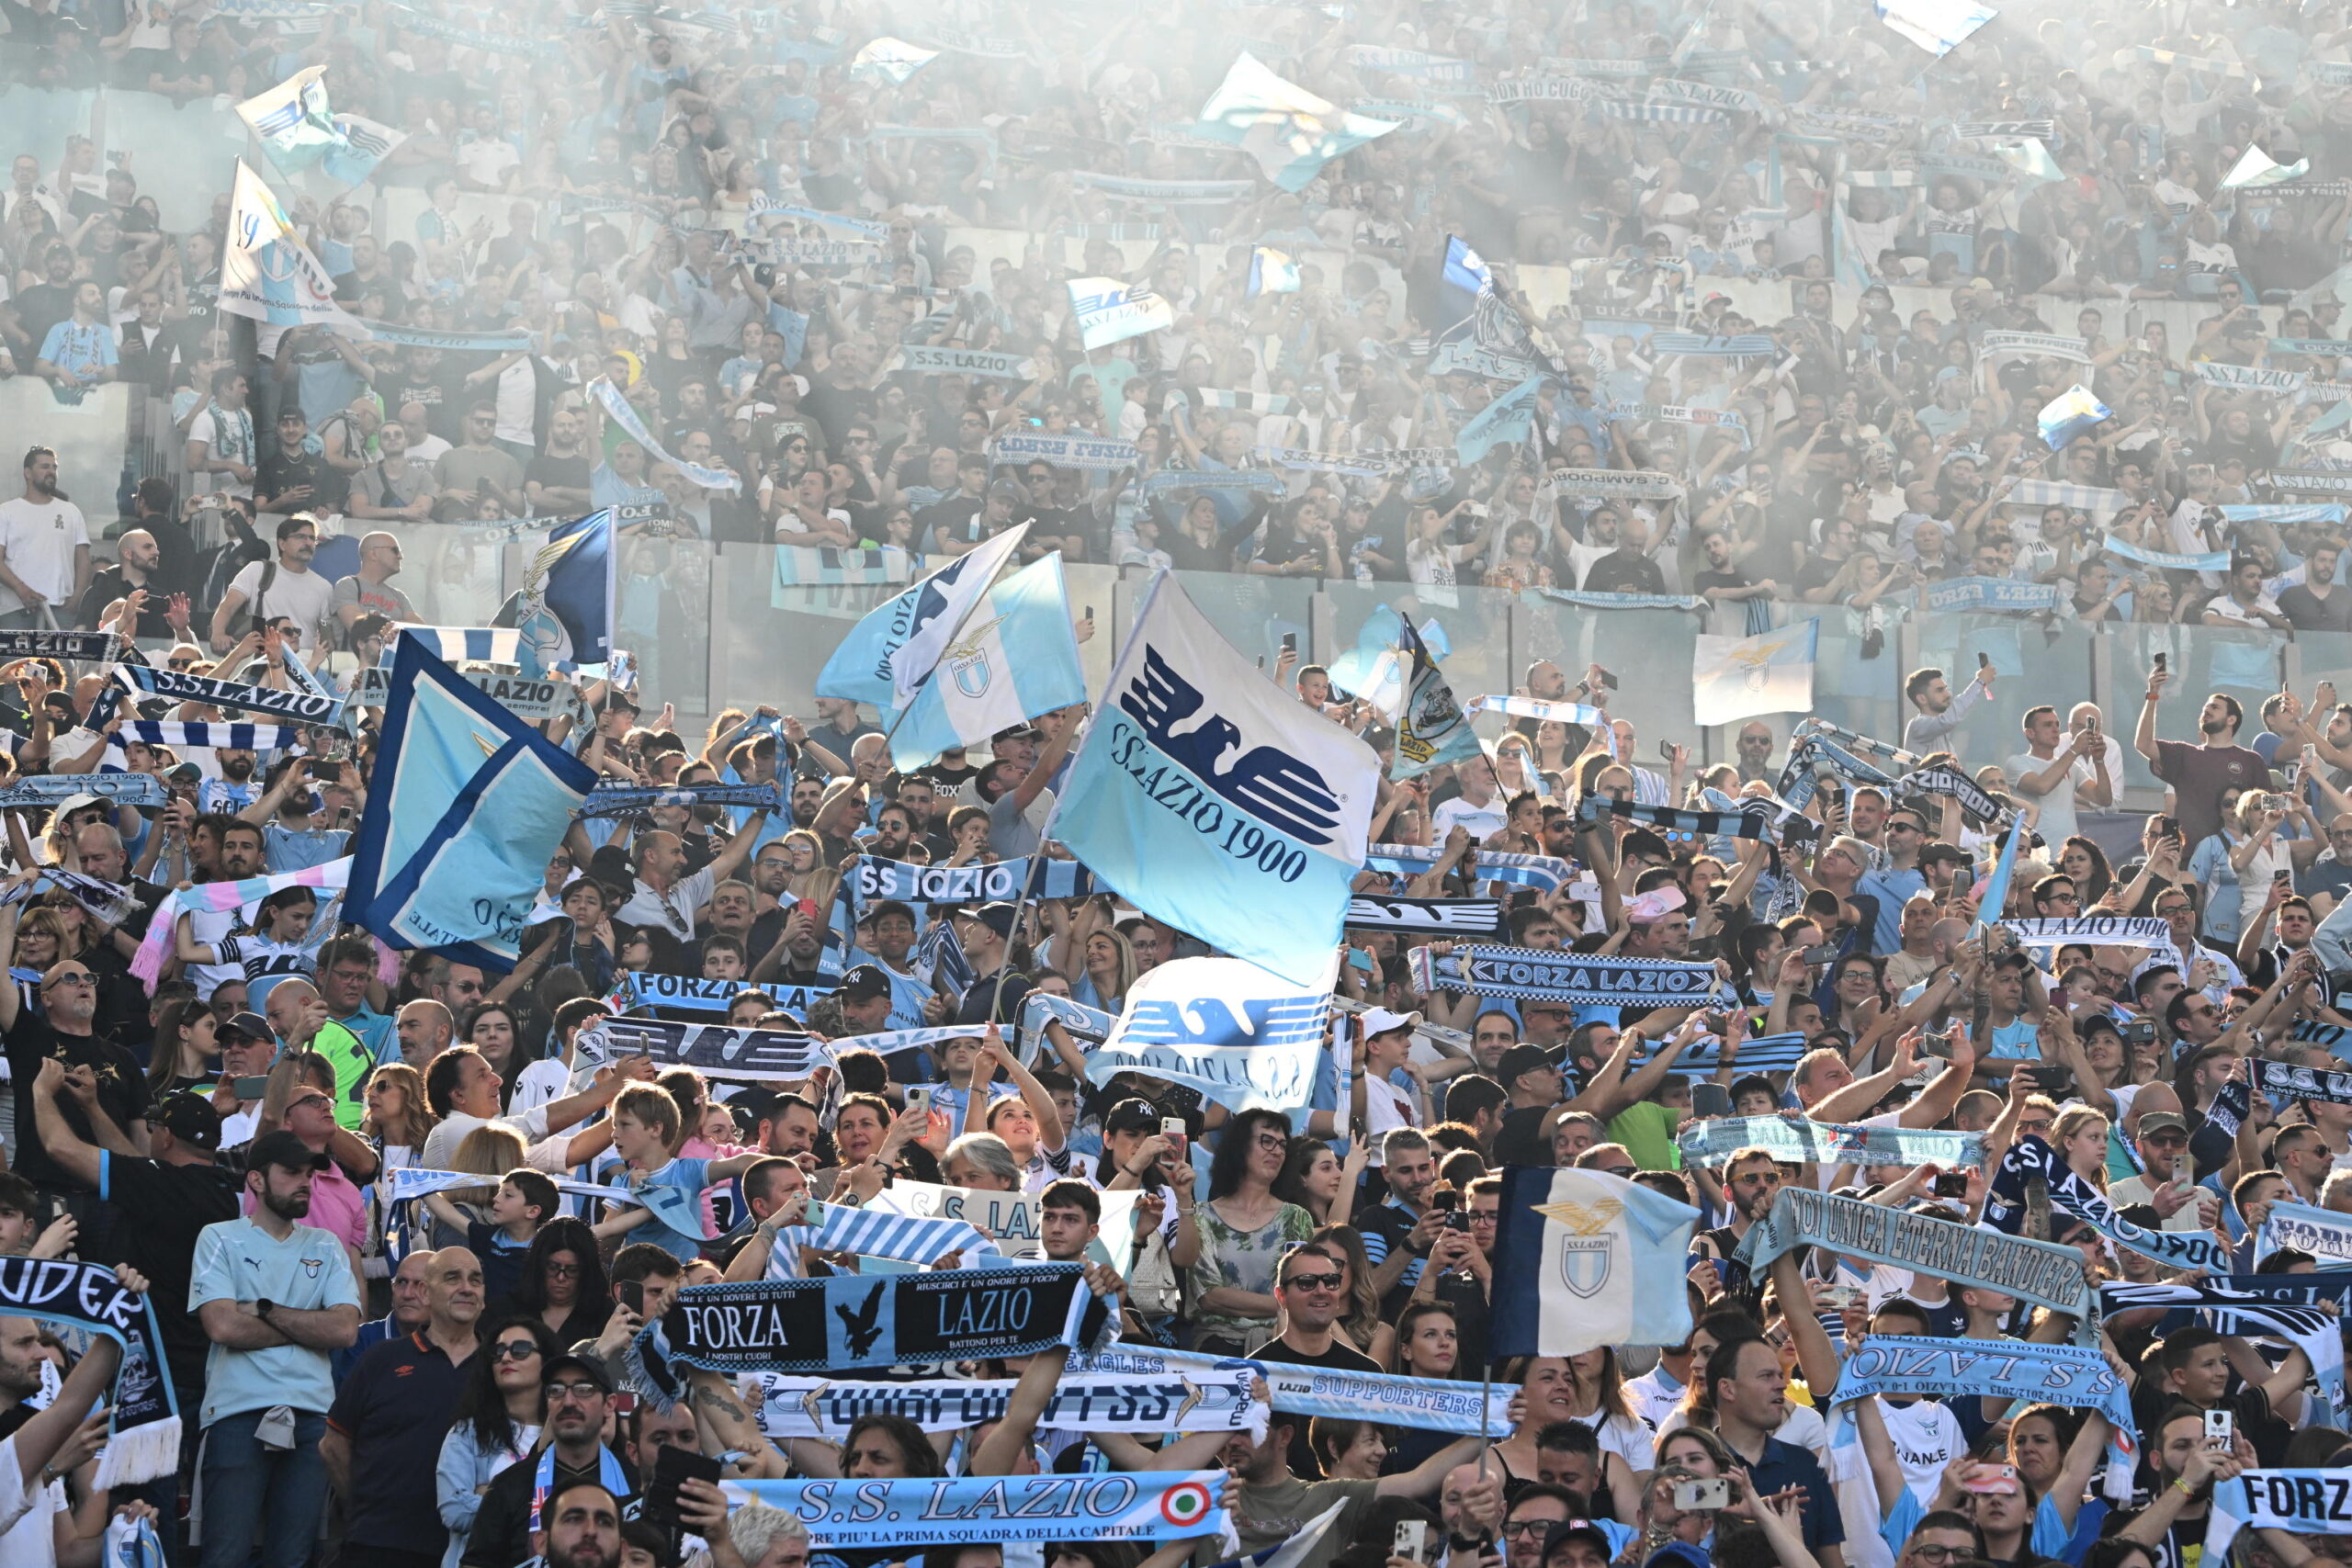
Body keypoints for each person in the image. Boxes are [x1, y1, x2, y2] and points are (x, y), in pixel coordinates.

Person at [187, 1130, 362, 1568]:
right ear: (257, 1180)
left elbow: (344, 1331)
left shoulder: (326, 1245)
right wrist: (308, 1326)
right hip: (235, 1410)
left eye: (309, 1174)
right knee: (224, 1556)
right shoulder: (219, 1237)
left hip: (312, 1414)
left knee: (294, 1559)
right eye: (291, 1172)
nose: (305, 1182)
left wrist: (263, 1310)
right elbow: (223, 1326)